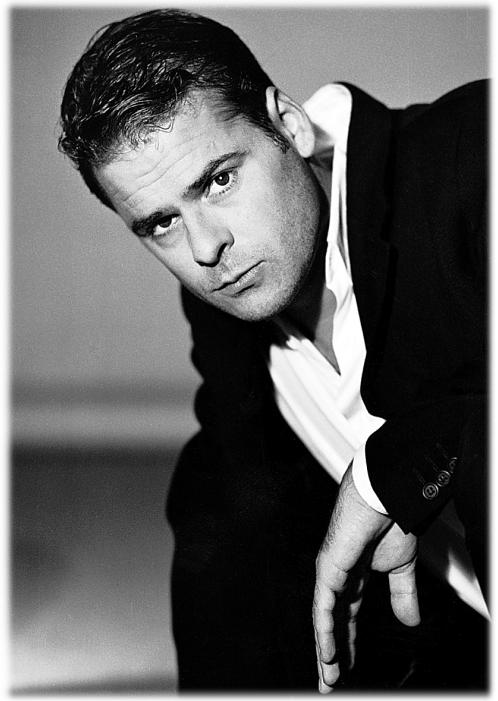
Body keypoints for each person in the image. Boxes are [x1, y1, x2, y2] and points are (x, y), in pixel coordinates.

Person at [58, 9, 488, 692]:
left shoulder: (472, 156)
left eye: (218, 180)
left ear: (288, 123)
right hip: (455, 637)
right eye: (161, 223)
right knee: (216, 494)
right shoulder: (227, 306)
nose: (205, 249)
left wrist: (404, 466)